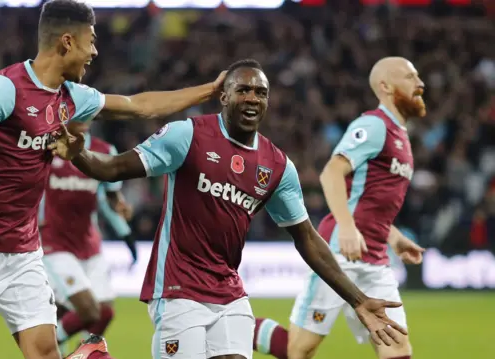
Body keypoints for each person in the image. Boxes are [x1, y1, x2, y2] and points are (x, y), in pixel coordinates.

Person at [51, 59, 408, 359]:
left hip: (229, 292)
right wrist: (77, 154)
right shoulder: (186, 136)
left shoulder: (277, 166)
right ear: (224, 96)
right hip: (178, 288)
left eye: (261, 92)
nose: (252, 98)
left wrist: (358, 301)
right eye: (244, 90)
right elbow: (113, 168)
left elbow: (308, 238)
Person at [0, 0, 225, 358]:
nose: (95, 52)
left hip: (24, 253)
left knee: (45, 353)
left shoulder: (73, 99)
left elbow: (139, 105)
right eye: (91, 41)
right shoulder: (7, 88)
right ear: (67, 42)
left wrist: (210, 91)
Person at [279, 57, 426, 359]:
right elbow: (331, 172)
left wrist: (394, 238)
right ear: (386, 86)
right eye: (411, 77)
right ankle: (240, 330)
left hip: (375, 260)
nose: (420, 83)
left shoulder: (401, 135)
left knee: (397, 345)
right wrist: (347, 226)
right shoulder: (373, 125)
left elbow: (368, 202)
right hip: (338, 254)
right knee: (300, 349)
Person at [39, 120, 135, 356]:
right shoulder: (49, 147)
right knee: (85, 311)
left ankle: (76, 351)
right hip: (55, 245)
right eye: (79, 111)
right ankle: (48, 349)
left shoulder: (104, 151)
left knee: (104, 313)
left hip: (90, 246)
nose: (86, 118)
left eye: (90, 113)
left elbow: (109, 195)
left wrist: (120, 210)